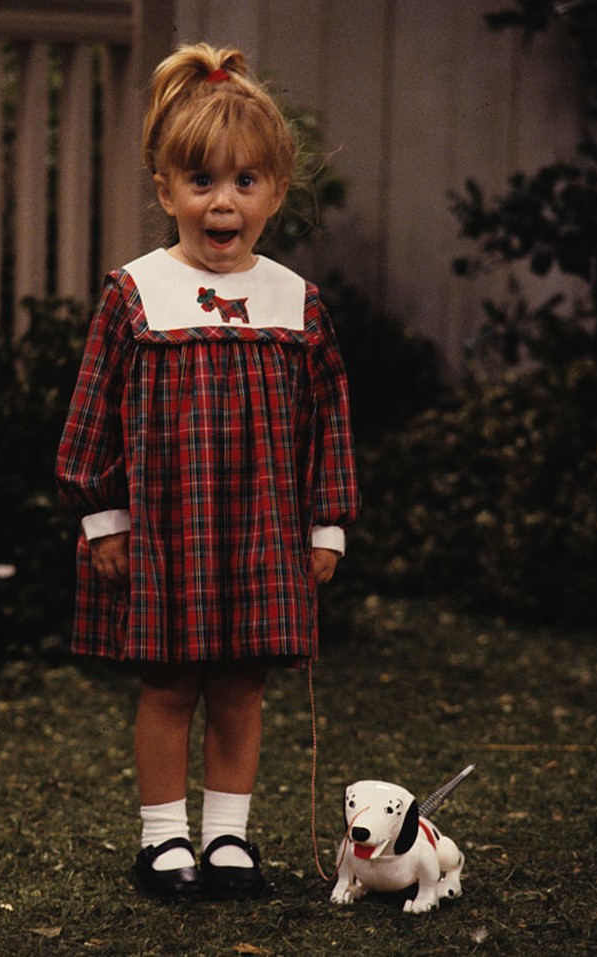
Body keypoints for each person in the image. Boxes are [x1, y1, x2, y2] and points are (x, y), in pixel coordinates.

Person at [56, 42, 359, 902]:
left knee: (240, 686)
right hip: (166, 530)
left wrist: (324, 524)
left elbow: (328, 420)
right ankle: (164, 843)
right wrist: (102, 517)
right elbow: (92, 413)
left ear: (274, 191)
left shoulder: (294, 302)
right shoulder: (136, 293)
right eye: (201, 182)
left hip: (261, 533)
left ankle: (228, 840)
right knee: (169, 684)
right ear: (166, 191)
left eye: (244, 182)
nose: (222, 202)